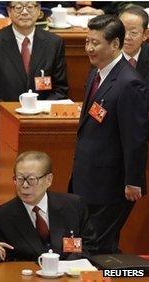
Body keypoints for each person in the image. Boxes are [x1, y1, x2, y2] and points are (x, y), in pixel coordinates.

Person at [69, 15, 148, 254]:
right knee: (94, 243)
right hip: (87, 178)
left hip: (111, 184)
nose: (89, 48)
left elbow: (135, 137)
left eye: (96, 43)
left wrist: (133, 180)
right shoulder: (95, 73)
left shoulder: (129, 83)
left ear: (115, 44)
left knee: (95, 245)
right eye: (87, 42)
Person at [0, 1, 68, 163]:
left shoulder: (54, 43)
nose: (24, 12)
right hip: (1, 121)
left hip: (41, 122)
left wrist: (37, 114)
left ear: (39, 11)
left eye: (30, 7)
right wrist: (14, 115)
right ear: (9, 11)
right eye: (18, 7)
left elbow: (61, 89)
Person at [0, 151, 97, 261]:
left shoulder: (74, 205)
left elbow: (89, 245)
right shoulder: (1, 217)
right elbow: (4, 258)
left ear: (48, 180)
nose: (25, 185)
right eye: (20, 179)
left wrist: (66, 266)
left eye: (31, 179)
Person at [119, 5, 149, 96]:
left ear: (145, 34)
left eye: (133, 33)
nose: (126, 37)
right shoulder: (105, 55)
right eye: (122, 31)